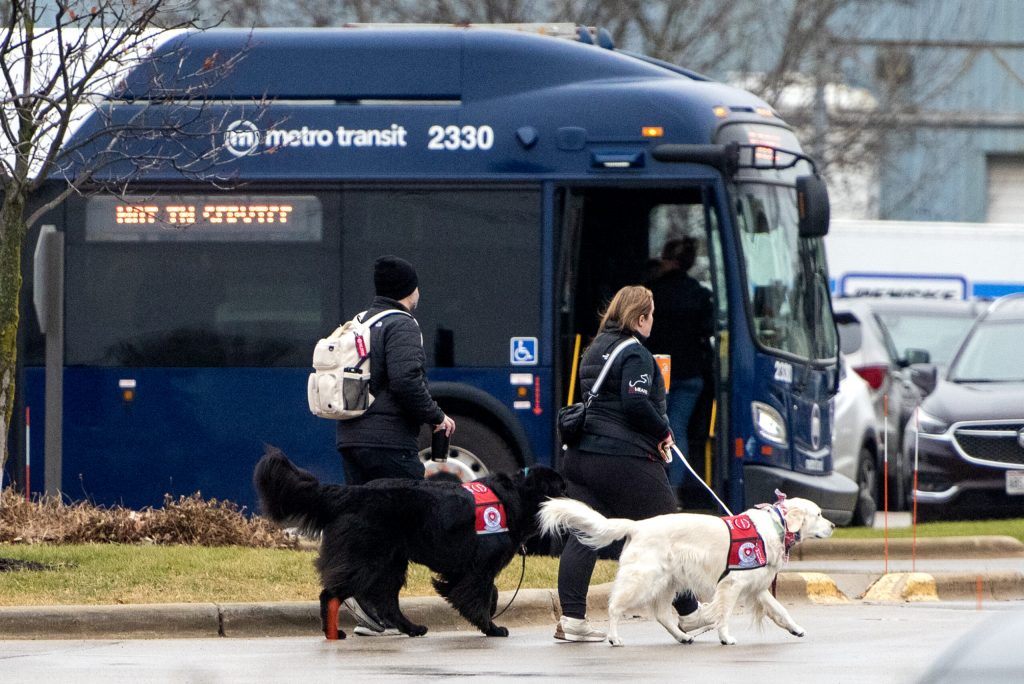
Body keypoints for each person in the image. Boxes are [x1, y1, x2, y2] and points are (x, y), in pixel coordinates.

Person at [553, 285, 709, 642]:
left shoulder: (596, 348)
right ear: (641, 318)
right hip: (624, 459)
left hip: (582, 457)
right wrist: (664, 430)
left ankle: (573, 620)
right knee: (671, 531)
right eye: (651, 314)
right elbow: (635, 404)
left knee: (584, 534)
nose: (653, 320)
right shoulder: (636, 353)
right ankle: (690, 614)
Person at [336, 254, 456, 635]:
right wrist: (437, 416)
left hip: (351, 437)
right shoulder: (402, 324)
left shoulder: (360, 321)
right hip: (388, 443)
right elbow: (406, 380)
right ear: (409, 289)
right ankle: (371, 601)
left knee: (371, 525)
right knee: (405, 524)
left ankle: (370, 610)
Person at [645, 236, 714, 483]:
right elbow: (707, 332)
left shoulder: (652, 294)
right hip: (690, 374)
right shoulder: (700, 294)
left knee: (653, 430)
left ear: (668, 260)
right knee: (677, 430)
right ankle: (674, 488)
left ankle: (655, 485)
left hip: (658, 373)